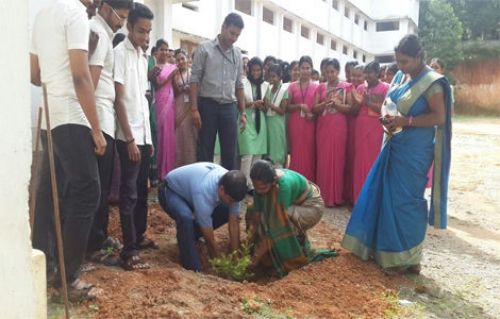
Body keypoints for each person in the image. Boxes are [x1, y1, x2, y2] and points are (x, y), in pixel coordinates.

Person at [342, 34, 452, 274]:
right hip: (394, 143)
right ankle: (387, 252)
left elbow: (439, 117)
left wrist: (407, 120)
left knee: (407, 201)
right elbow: (387, 103)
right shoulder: (402, 77)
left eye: (404, 62)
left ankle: (409, 258)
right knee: (386, 196)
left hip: (415, 151)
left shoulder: (432, 83)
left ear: (418, 57)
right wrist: (388, 117)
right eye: (398, 61)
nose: (399, 67)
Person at [30, 0, 107, 301]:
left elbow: (34, 73)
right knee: (87, 191)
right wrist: (97, 129)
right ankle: (67, 280)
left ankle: (45, 266)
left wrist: (54, 77)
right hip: (70, 117)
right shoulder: (75, 14)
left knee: (50, 193)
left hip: (48, 115)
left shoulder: (43, 13)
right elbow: (80, 76)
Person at [86, 0, 132, 265]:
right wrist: (94, 128)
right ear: (105, 7)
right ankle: (92, 243)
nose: (121, 22)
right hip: (99, 122)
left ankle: (99, 236)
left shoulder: (103, 32)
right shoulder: (98, 32)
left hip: (105, 120)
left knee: (102, 188)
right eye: (120, 17)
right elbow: (90, 83)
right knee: (96, 188)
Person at [114, 3, 156, 270]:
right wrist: (129, 139)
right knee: (128, 193)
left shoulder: (142, 57)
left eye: (149, 32)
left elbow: (141, 101)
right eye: (141, 31)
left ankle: (138, 237)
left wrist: (148, 139)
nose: (146, 37)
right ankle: (128, 251)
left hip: (142, 135)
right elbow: (118, 99)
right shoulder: (119, 54)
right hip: (127, 135)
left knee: (142, 190)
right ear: (129, 27)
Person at [247, 160, 336, 277]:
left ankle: (291, 260)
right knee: (253, 209)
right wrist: (250, 239)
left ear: (273, 180)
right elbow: (257, 214)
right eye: (256, 187)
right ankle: (270, 253)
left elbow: (277, 224)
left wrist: (256, 256)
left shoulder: (283, 186)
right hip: (293, 205)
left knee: (280, 222)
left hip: (311, 208)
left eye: (263, 188)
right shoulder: (262, 186)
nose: (258, 191)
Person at [158, 163, 247, 272]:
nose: (231, 203)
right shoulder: (205, 191)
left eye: (234, 201)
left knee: (226, 209)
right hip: (171, 191)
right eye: (230, 200)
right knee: (185, 217)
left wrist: (235, 256)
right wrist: (220, 265)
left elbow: (234, 223)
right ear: (222, 189)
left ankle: (189, 236)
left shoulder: (233, 190)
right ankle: (192, 266)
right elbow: (209, 239)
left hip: (191, 193)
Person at [190, 13, 247, 170]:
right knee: (205, 150)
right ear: (223, 27)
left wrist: (242, 112)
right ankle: (203, 187)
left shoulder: (237, 54)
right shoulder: (204, 49)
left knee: (229, 152)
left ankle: (228, 190)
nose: (234, 38)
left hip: (229, 108)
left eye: (237, 35)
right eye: (231, 33)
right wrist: (194, 109)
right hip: (207, 106)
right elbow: (194, 80)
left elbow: (239, 85)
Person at [313, 58, 353, 207]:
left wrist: (337, 105)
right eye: (327, 71)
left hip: (339, 128)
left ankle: (336, 196)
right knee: (323, 161)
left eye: (332, 71)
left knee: (338, 160)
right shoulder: (321, 87)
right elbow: (314, 108)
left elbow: (350, 109)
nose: (330, 74)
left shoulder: (346, 87)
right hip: (323, 127)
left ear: (338, 71)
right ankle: (323, 196)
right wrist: (325, 104)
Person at [351, 61, 389, 202]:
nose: (367, 76)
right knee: (359, 163)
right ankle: (358, 199)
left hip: (375, 130)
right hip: (360, 128)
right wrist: (356, 101)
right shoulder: (361, 87)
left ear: (378, 73)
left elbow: (386, 110)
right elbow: (354, 111)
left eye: (370, 72)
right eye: (365, 73)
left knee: (371, 163)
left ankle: (371, 201)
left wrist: (366, 102)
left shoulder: (385, 88)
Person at [238, 57, 269, 190]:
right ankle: (243, 184)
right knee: (247, 154)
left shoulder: (266, 85)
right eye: (253, 70)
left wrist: (263, 106)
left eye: (258, 70)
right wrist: (252, 104)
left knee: (258, 155)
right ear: (248, 70)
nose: (256, 72)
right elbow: (238, 103)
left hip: (260, 122)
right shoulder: (242, 83)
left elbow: (268, 105)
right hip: (246, 120)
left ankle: (253, 184)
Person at [287, 56, 318, 182]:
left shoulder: (317, 87)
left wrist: (313, 115)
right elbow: (287, 107)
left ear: (312, 69)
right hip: (296, 123)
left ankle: (309, 183)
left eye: (308, 68)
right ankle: (295, 182)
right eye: (302, 68)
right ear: (298, 70)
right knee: (296, 153)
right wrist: (299, 106)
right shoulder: (292, 87)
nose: (305, 71)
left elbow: (318, 108)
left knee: (310, 153)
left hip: (310, 123)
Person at [154, 39, 178, 179]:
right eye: (162, 49)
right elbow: (157, 84)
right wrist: (170, 74)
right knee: (158, 134)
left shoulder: (172, 66)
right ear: (157, 51)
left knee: (168, 135)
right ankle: (156, 170)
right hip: (158, 101)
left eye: (166, 49)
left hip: (169, 101)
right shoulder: (153, 66)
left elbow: (176, 87)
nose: (164, 52)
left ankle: (167, 170)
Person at [343, 64, 365, 204]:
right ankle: (347, 194)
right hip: (346, 127)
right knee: (347, 160)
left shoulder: (366, 89)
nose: (355, 78)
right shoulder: (346, 88)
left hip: (361, 128)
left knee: (357, 161)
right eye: (353, 75)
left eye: (359, 75)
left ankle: (355, 195)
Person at [173, 48, 198, 166]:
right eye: (177, 60)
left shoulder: (193, 73)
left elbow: (197, 92)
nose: (180, 62)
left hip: (190, 109)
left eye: (182, 58)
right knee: (179, 141)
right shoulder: (174, 75)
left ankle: (191, 166)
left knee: (191, 140)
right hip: (178, 108)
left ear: (187, 59)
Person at [263, 63, 289, 167]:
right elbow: (266, 107)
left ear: (280, 76)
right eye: (270, 76)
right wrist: (264, 105)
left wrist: (270, 105)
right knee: (268, 149)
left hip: (277, 124)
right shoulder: (268, 89)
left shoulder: (284, 90)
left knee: (277, 149)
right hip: (268, 122)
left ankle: (279, 170)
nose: (271, 79)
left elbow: (283, 111)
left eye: (274, 76)